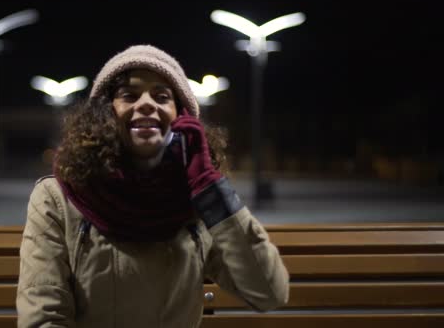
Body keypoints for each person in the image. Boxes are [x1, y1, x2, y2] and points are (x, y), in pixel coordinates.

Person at [16, 45, 289, 327]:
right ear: (104, 115)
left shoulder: (200, 200)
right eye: (129, 96)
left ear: (182, 118)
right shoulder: (57, 198)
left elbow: (269, 292)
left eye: (162, 96)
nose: (146, 104)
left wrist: (209, 186)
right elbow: (44, 316)